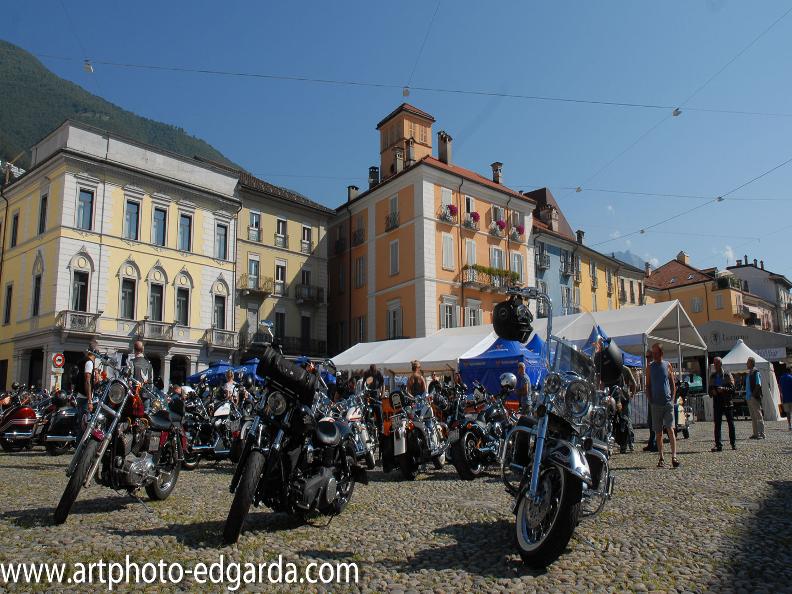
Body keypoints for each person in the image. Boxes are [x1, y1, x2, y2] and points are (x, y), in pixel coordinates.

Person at [646, 343, 679, 468]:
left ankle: (674, 456)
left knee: (670, 429)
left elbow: (672, 383)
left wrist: (672, 399)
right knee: (658, 432)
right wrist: (651, 400)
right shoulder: (650, 367)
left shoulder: (667, 365)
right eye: (653, 353)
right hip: (656, 404)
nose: (654, 355)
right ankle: (661, 457)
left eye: (656, 353)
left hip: (667, 403)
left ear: (661, 353)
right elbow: (648, 385)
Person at [709, 356, 736, 451]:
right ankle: (718, 444)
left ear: (720, 364)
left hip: (727, 402)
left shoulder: (727, 375)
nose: (715, 365)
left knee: (730, 423)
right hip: (717, 402)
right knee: (717, 424)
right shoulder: (712, 376)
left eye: (716, 363)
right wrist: (712, 392)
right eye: (714, 363)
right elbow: (709, 390)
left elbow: (733, 389)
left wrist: (723, 389)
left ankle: (733, 443)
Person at [745, 357, 766, 440]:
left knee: (758, 415)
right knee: (753, 416)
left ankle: (761, 433)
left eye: (747, 362)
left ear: (751, 363)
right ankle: (755, 433)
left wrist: (753, 395)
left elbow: (758, 384)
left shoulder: (756, 372)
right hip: (749, 397)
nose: (746, 364)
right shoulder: (749, 373)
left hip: (754, 397)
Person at [642, 350, 657, 452]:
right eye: (646, 357)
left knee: (655, 422)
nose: (647, 359)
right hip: (651, 397)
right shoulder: (649, 368)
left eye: (649, 356)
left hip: (656, 398)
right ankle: (651, 442)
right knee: (650, 421)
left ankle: (654, 443)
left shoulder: (654, 367)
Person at [779, 364, 792, 431]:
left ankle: (790, 425)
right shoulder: (791, 377)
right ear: (790, 371)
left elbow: (780, 388)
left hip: (785, 398)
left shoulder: (781, 378)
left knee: (788, 413)